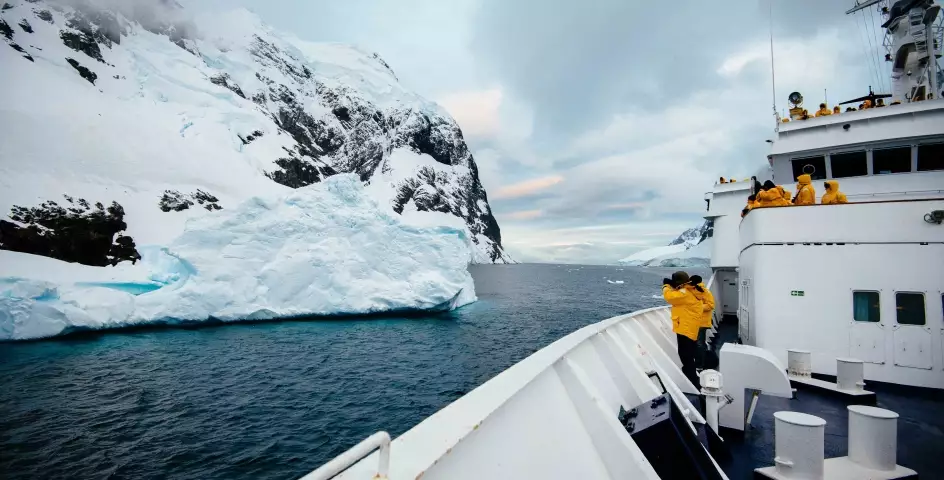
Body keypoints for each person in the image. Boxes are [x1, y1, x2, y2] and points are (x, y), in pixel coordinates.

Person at [662, 271, 703, 388]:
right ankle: (692, 374)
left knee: (686, 356)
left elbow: (669, 297)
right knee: (690, 353)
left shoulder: (684, 293)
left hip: (685, 329)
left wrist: (666, 286)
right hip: (691, 327)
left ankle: (692, 381)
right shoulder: (692, 290)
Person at [688, 275, 715, 370]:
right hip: (693, 322)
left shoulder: (705, 292)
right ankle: (698, 362)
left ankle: (700, 365)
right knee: (696, 343)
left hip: (701, 323)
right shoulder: (690, 290)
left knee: (699, 343)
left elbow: (710, 305)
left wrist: (697, 308)